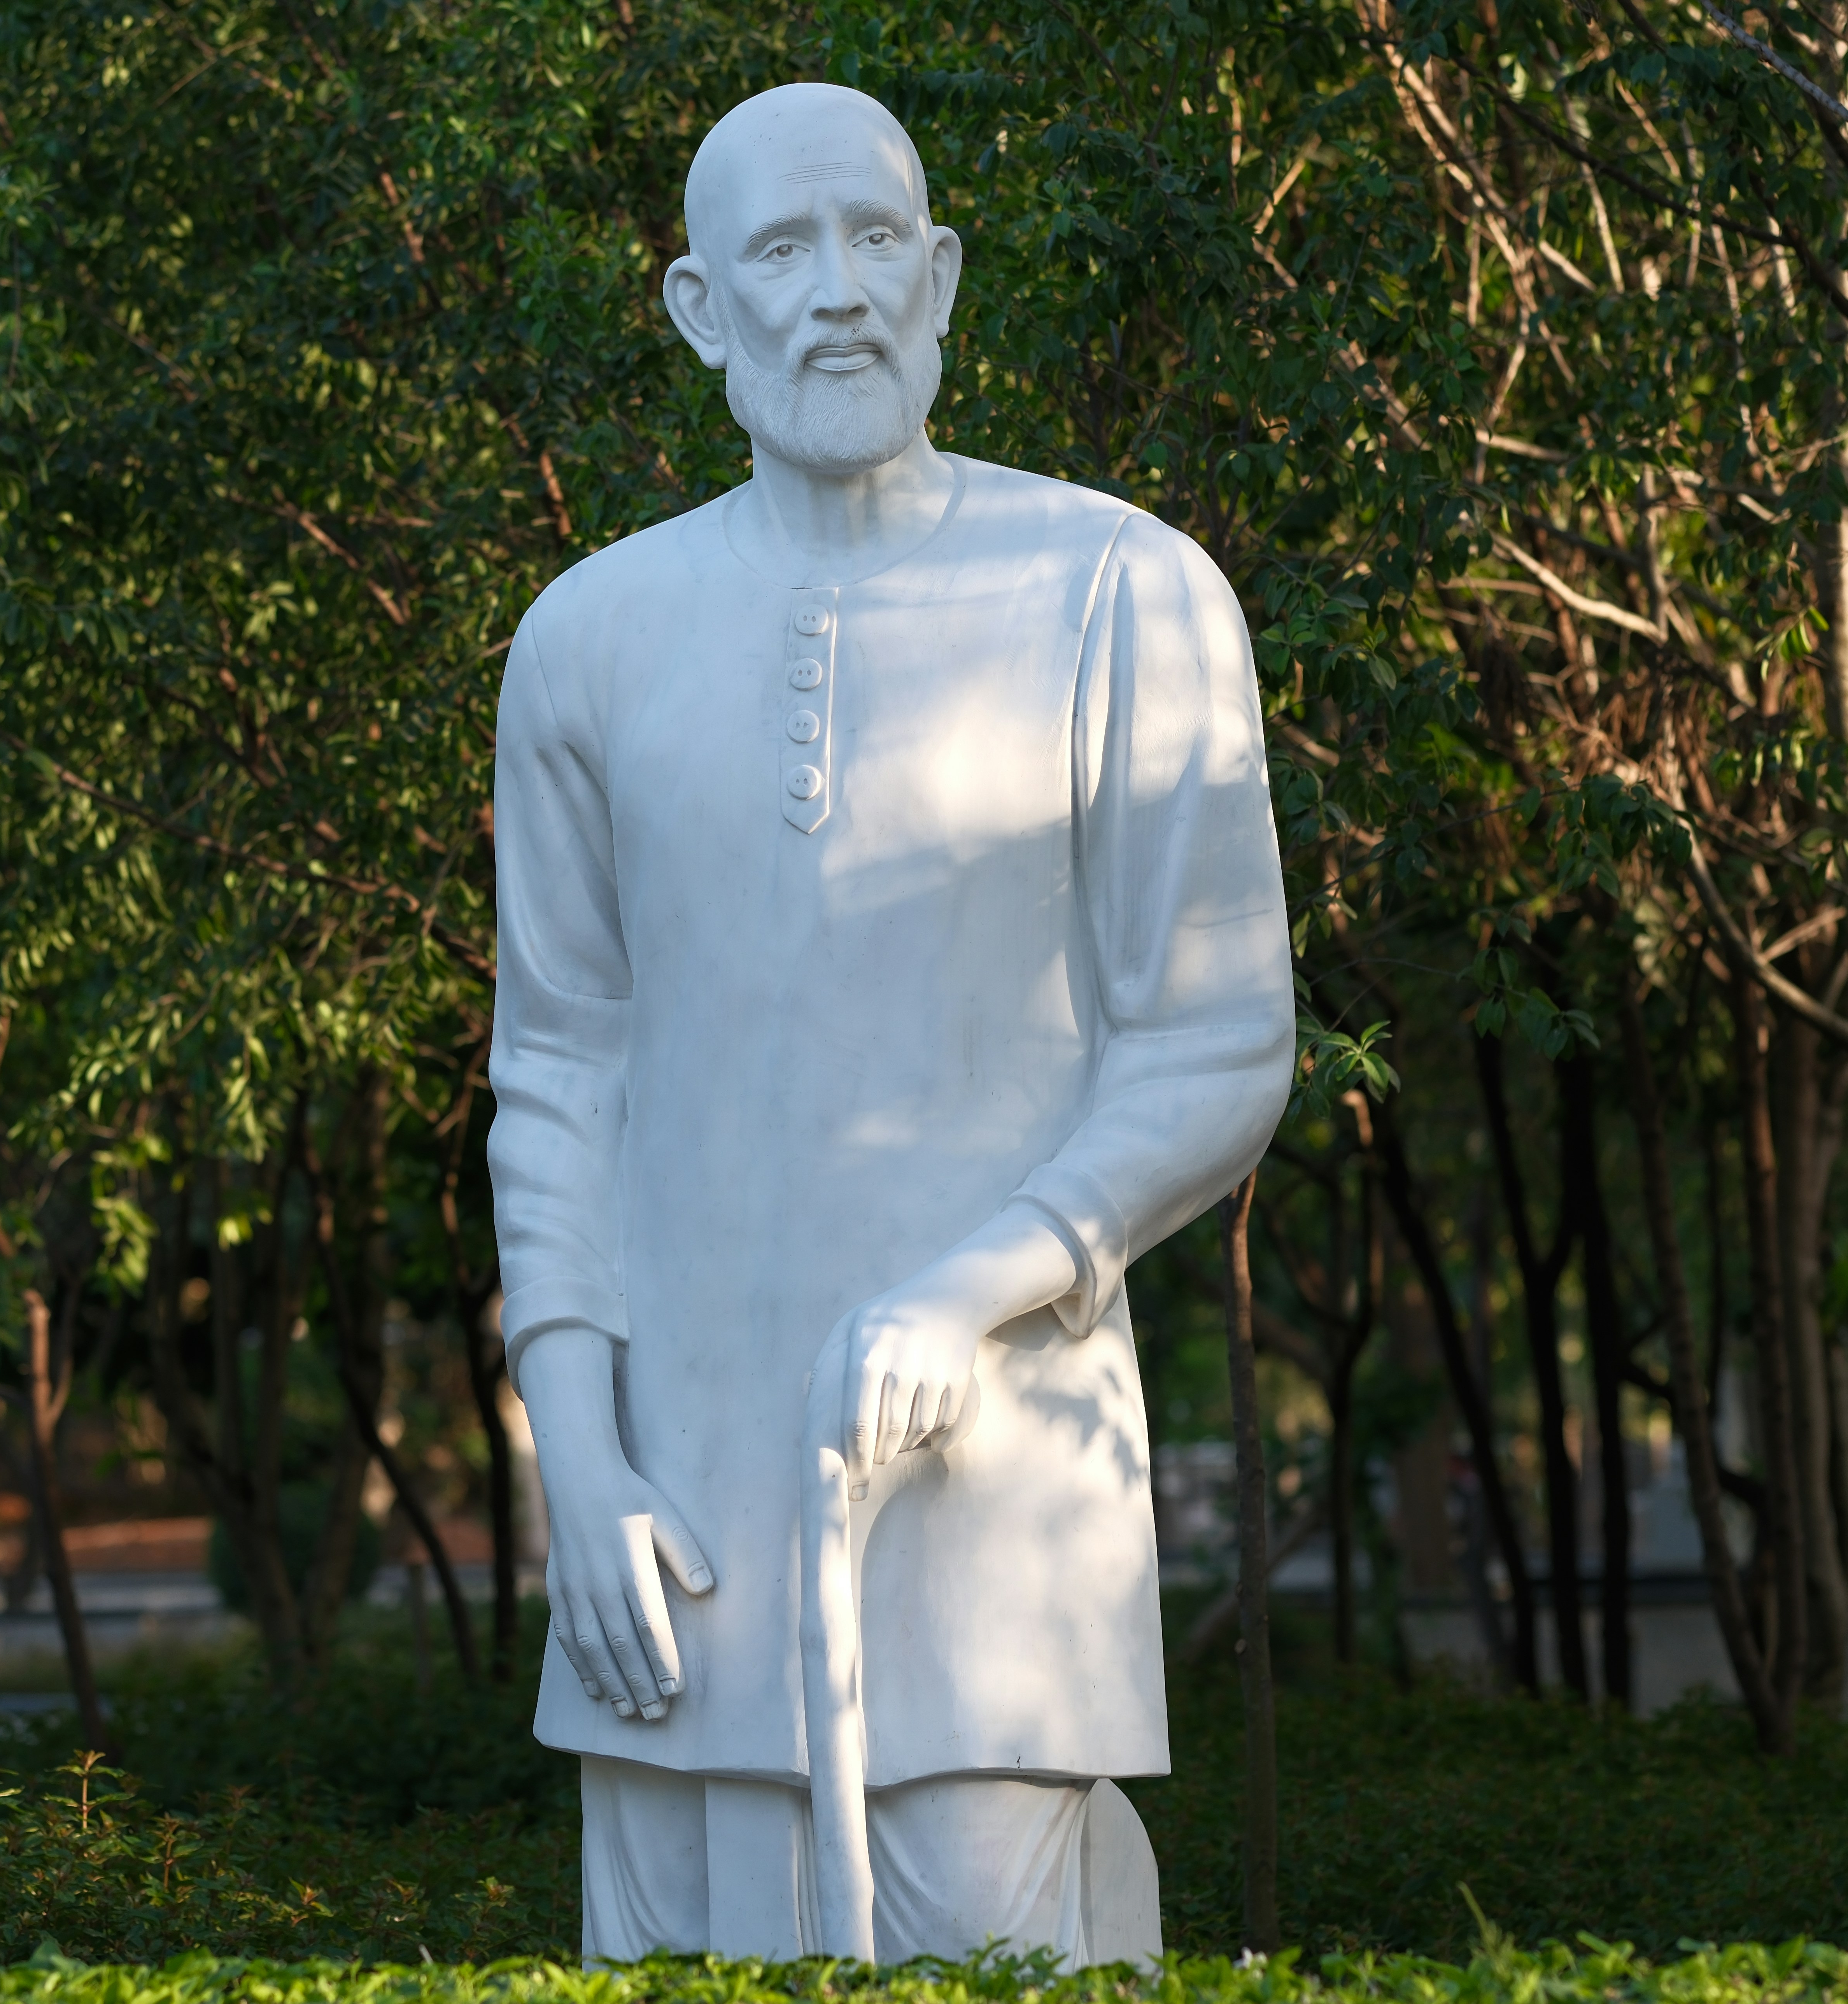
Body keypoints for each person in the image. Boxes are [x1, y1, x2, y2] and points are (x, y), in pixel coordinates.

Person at [490, 80, 1293, 1964]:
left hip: (995, 1508)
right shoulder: (587, 640)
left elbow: (1215, 1038)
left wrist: (978, 1283)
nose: (837, 294)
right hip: (669, 1541)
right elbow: (558, 1066)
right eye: (782, 250)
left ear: (939, 278)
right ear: (700, 306)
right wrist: (578, 1455)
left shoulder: (1121, 591)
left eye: (875, 242)